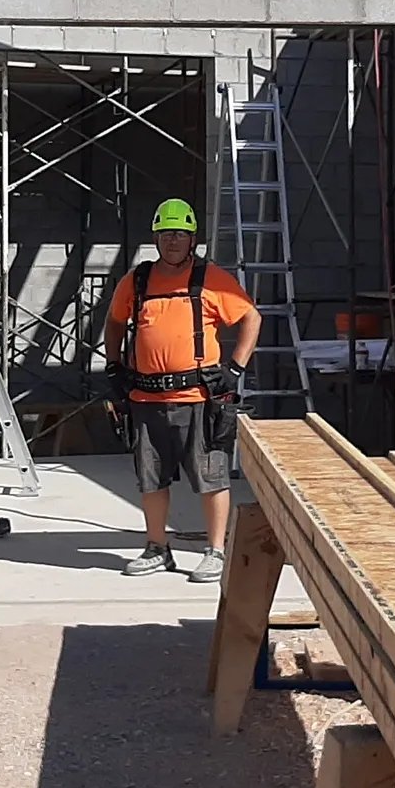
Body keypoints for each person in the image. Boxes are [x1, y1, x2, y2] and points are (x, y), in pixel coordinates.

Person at [100, 199, 261, 582]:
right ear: (156, 237)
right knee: (150, 478)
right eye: (166, 233)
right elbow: (115, 321)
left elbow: (251, 317)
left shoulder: (211, 279)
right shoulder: (137, 281)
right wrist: (113, 364)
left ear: (193, 239)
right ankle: (157, 548)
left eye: (180, 234)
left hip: (199, 400)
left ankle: (216, 551)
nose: (173, 241)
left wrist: (234, 368)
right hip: (145, 397)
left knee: (211, 476)